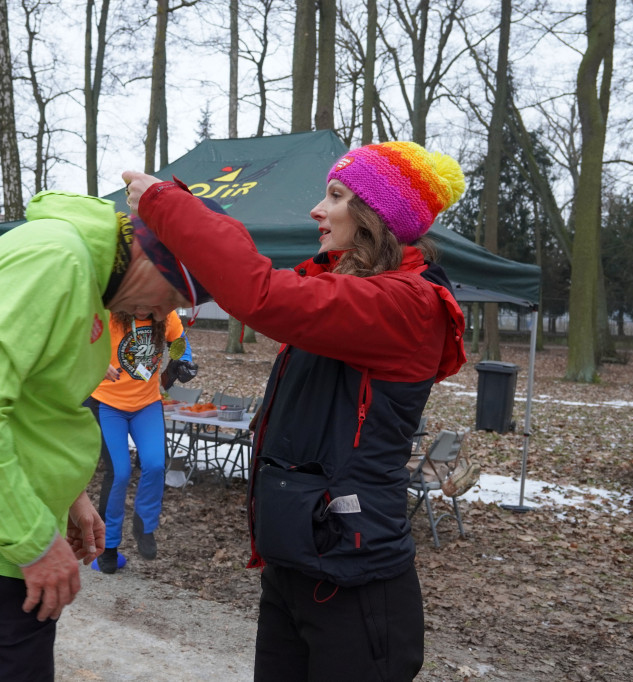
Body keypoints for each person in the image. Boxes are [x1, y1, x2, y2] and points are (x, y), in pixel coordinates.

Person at [123, 140, 468, 681]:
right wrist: (187, 210)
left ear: (374, 217)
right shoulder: (348, 284)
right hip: (297, 562)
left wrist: (167, 205)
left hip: (355, 581)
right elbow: (254, 269)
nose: (316, 210)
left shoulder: (408, 305)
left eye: (335, 196)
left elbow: (258, 294)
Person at [0, 190, 213, 680]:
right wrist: (34, 541)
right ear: (148, 254)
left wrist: (71, 498)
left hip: (0, 528)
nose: (158, 309)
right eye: (170, 295)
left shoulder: (91, 276)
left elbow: (35, 401)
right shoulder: (56, 261)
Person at [85, 301, 195, 574]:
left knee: (156, 465)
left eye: (153, 305)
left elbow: (181, 344)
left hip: (147, 404)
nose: (146, 309)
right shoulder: (108, 315)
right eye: (139, 303)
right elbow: (76, 346)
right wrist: (95, 364)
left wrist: (183, 363)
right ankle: (108, 546)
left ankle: (144, 526)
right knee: (120, 473)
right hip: (107, 404)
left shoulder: (166, 316)